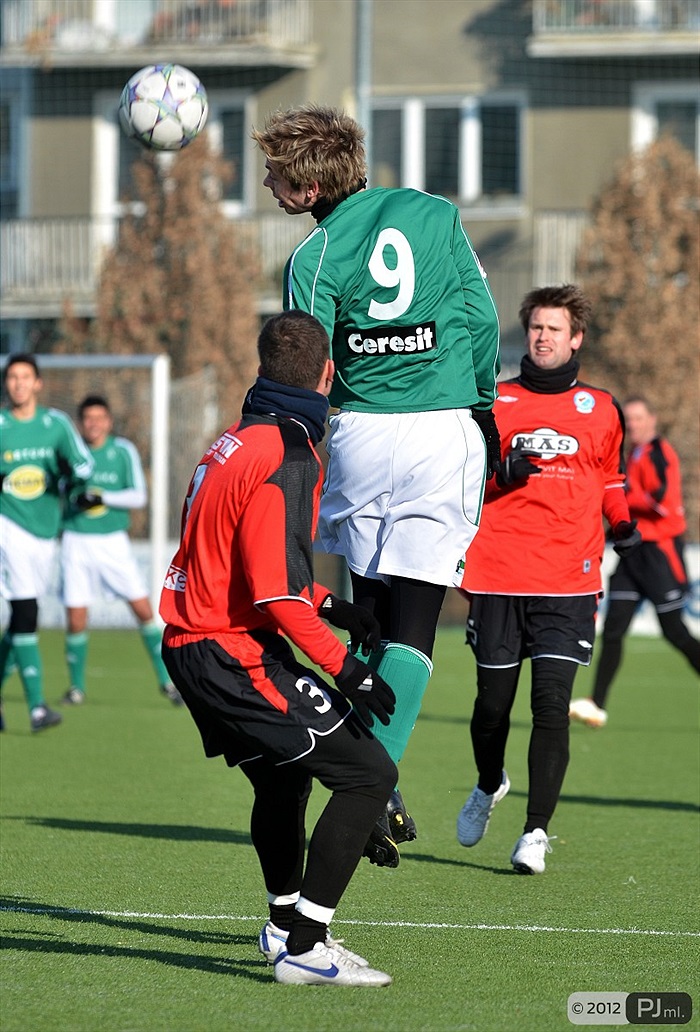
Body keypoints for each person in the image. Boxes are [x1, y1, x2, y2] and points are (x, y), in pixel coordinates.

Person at [252, 104, 501, 866]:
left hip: (361, 435)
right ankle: (375, 781)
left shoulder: (314, 257)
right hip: (442, 430)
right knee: (416, 624)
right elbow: (482, 317)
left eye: (274, 173)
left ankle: (371, 783)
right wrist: (484, 408)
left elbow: (306, 363)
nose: (267, 182)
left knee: (374, 614)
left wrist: (287, 439)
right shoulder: (435, 213)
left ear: (304, 187)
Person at [160, 310, 397, 987]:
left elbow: (257, 570)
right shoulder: (288, 451)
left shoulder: (239, 439)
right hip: (227, 650)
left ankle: (283, 924)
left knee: (285, 776)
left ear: (263, 371)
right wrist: (348, 669)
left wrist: (334, 604)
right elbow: (275, 596)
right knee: (367, 776)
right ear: (329, 374)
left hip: (196, 641)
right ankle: (305, 948)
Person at [455, 284, 641, 874]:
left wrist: (623, 521)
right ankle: (489, 785)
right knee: (491, 707)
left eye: (554, 329)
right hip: (498, 574)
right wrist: (498, 475)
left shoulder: (603, 408)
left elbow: (608, 478)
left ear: (576, 338)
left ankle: (535, 832)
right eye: (536, 327)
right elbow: (461, 483)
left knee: (551, 705)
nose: (543, 337)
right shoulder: (494, 404)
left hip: (569, 576)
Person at [570, 396, 700, 728]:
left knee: (675, 633)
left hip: (660, 553)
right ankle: (596, 704)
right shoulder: (633, 453)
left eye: (639, 418)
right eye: (629, 420)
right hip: (633, 555)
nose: (634, 425)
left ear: (652, 419)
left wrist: (615, 495)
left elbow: (658, 498)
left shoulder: (659, 452)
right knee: (613, 630)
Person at [60, 394, 183, 706]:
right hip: (75, 540)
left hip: (113, 541)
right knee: (76, 616)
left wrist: (102, 498)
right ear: (80, 423)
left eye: (99, 418)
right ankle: (76, 689)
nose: (94, 424)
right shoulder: (71, 452)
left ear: (109, 422)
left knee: (142, 609)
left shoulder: (122, 451)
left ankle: (167, 682)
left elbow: (138, 496)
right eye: (88, 419)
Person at [0, 353, 94, 732]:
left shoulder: (56, 424)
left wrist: (69, 470)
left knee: (20, 620)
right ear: (7, 385)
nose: (19, 384)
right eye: (12, 378)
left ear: (37, 383)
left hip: (44, 533)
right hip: (9, 528)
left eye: (25, 377)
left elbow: (85, 465)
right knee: (26, 612)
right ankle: (37, 708)